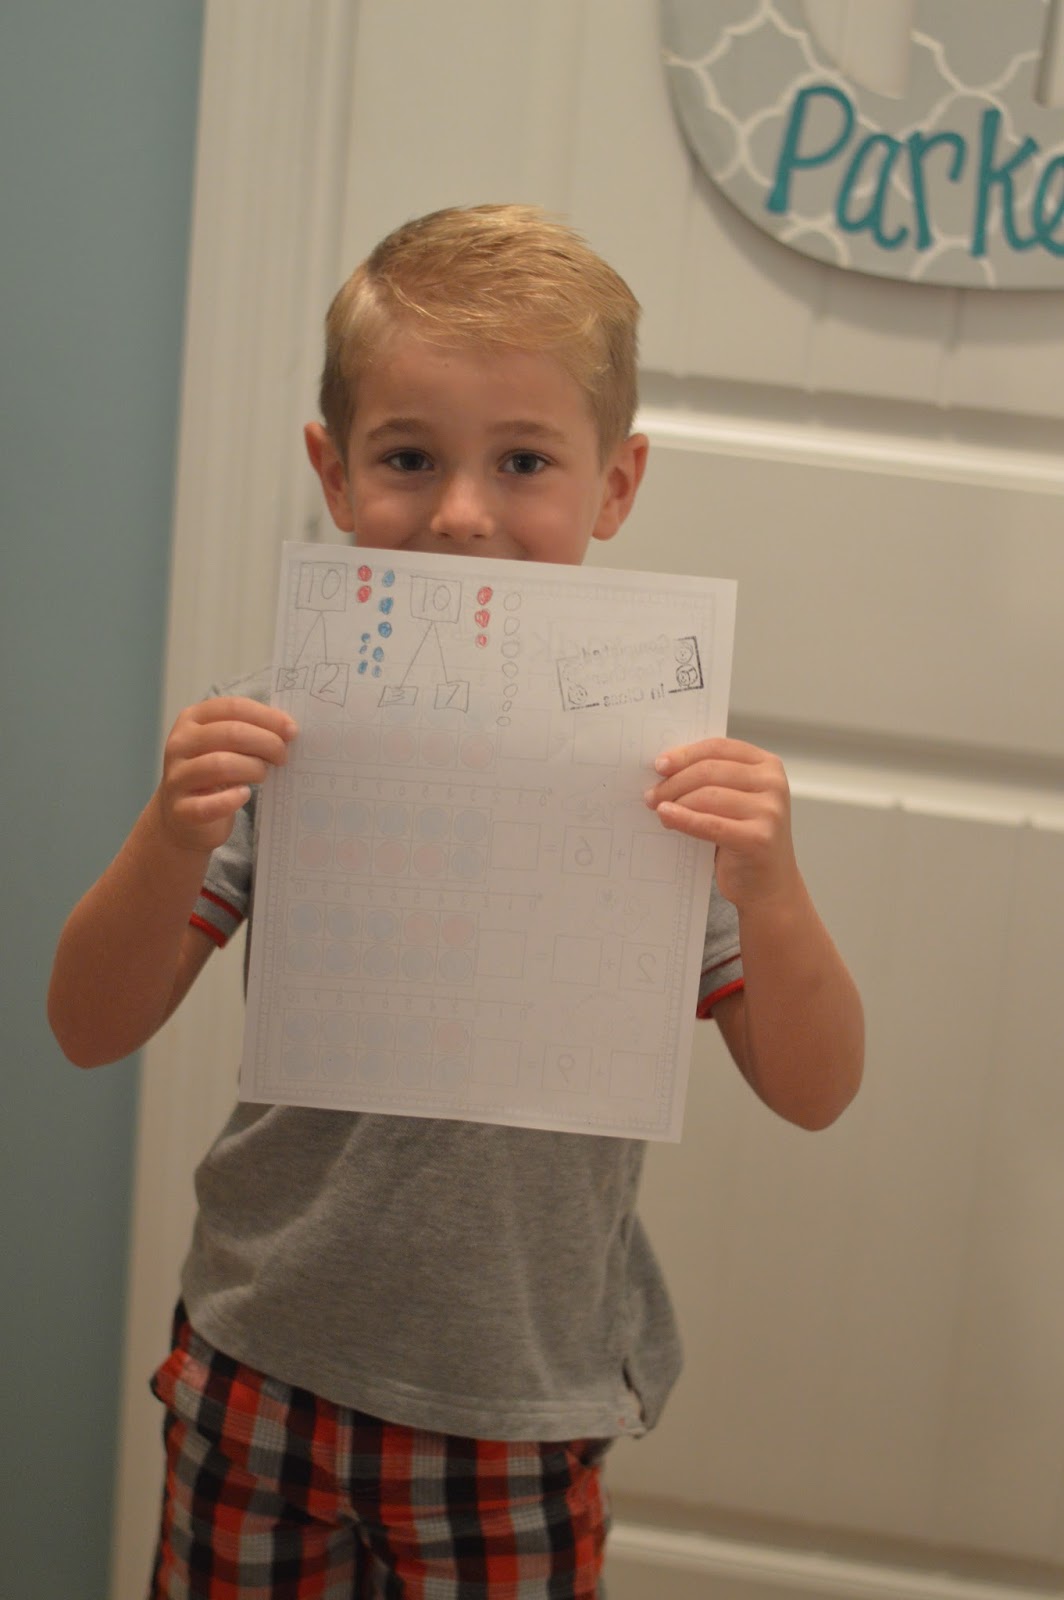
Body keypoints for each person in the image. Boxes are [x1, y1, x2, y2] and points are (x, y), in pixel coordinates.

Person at [48, 204, 864, 1600]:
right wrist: (172, 833)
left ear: (615, 485)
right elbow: (87, 1024)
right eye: (409, 457)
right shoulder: (286, 738)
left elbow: (815, 1087)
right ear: (333, 470)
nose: (464, 513)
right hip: (261, 1364)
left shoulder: (659, 775)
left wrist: (772, 891)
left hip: (515, 1406)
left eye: (525, 461)